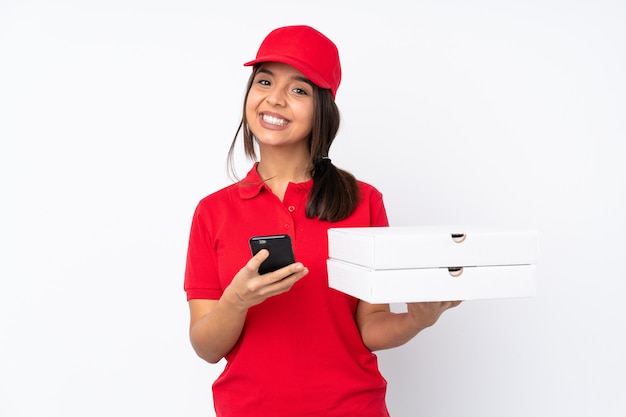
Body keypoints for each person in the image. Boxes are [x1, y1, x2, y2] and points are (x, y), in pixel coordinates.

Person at [184, 25, 461, 417]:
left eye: (299, 90)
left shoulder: (364, 201)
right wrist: (237, 299)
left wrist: (417, 319)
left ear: (323, 109)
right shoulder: (212, 212)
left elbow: (371, 327)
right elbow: (206, 347)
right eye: (265, 81)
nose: (275, 99)